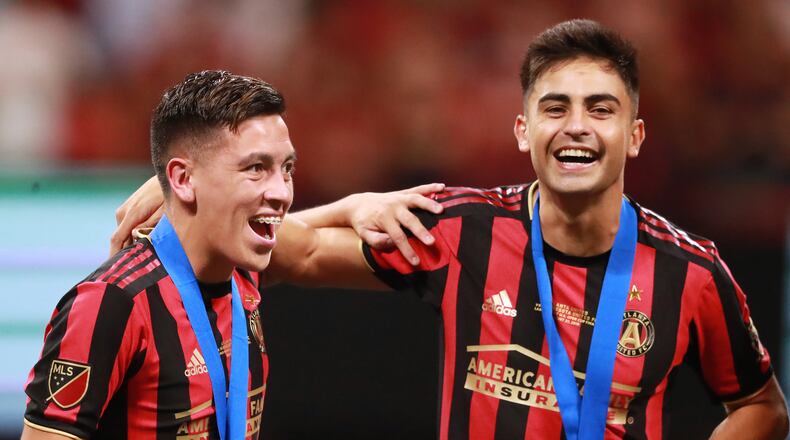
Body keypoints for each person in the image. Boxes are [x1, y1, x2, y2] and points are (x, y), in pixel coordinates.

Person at [113, 21, 789, 439]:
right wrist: (202, 200)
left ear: (634, 135)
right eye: (555, 107)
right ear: (525, 131)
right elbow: (300, 253)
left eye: (601, 108)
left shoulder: (693, 272)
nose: (577, 124)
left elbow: (761, 406)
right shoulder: (464, 229)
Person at [23, 70, 425, 440]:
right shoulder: (111, 304)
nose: (283, 192)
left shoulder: (241, 266)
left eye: (286, 168)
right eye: (255, 168)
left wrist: (351, 205)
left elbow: (311, 246)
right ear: (183, 178)